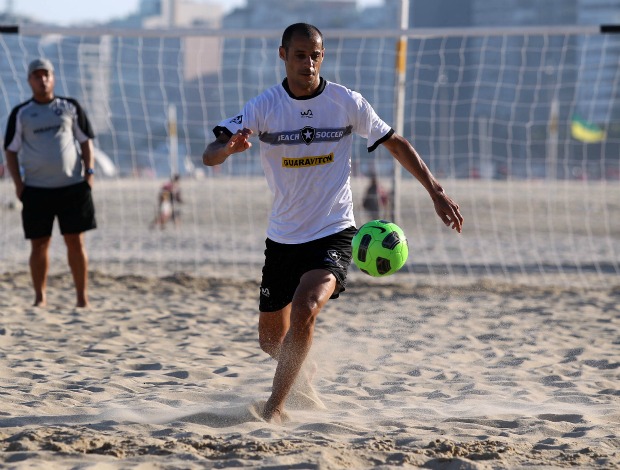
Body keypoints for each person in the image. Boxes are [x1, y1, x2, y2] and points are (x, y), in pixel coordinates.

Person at [202, 23, 463, 423]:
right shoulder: (264, 105)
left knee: (306, 308)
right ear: (283, 55)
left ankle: (274, 408)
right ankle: (303, 376)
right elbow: (210, 153)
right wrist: (227, 149)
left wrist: (435, 191)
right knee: (272, 341)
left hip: (334, 232)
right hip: (283, 237)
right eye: (300, 55)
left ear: (323, 56)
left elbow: (395, 142)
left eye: (315, 55)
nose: (308, 63)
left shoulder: (346, 102)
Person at [4, 58, 97, 308]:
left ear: (53, 78)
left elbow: (86, 141)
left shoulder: (70, 107)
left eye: (46, 75)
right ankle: (40, 298)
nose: (42, 80)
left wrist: (89, 174)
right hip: (36, 189)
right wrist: (18, 184)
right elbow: (10, 150)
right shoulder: (21, 113)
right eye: (37, 76)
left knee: (75, 242)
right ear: (29, 81)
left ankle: (82, 298)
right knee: (39, 244)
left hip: (73, 186)